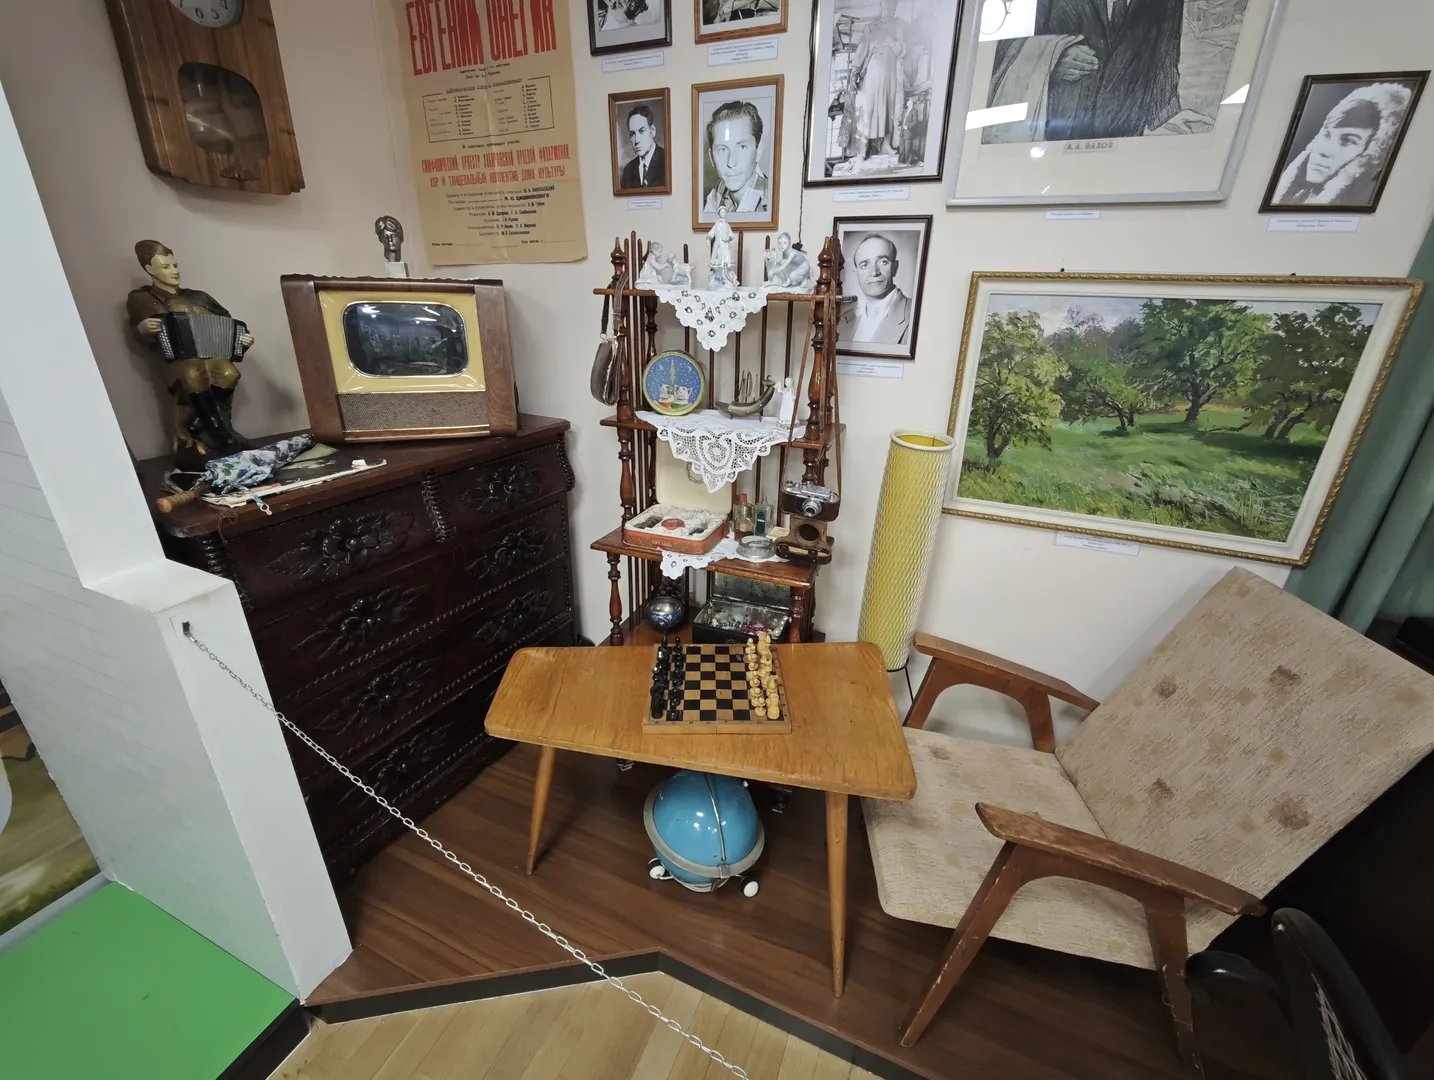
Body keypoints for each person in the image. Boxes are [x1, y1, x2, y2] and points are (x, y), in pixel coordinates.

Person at [984, 0, 1215, 144]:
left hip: (1125, 143)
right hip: (1051, 136)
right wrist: (1054, 57)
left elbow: (1165, 63)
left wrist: (1171, 125)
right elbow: (1003, 48)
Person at [126, 240, 253, 462]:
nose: (174, 271)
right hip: (178, 358)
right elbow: (137, 330)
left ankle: (198, 420)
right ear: (149, 270)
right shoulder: (141, 299)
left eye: (175, 265)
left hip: (210, 355)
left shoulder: (199, 297)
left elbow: (228, 323)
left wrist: (242, 339)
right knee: (192, 375)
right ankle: (215, 428)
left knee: (229, 373)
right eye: (165, 267)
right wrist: (143, 328)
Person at [1270, 82, 1414, 207]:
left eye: (1347, 141)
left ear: (1370, 155)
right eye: (1326, 135)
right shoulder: (1296, 196)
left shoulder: (1366, 200)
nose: (1324, 151)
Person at [848, 0, 909, 162]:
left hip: (891, 73)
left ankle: (886, 144)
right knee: (870, 108)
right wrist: (855, 72)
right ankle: (864, 147)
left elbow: (904, 51)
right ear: (882, 6)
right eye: (887, 5)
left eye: (893, 6)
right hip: (873, 73)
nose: (890, 9)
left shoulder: (900, 27)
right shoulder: (872, 28)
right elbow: (862, 51)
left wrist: (896, 45)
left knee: (888, 108)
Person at [837, 234, 912, 346]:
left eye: (883, 262)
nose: (874, 272)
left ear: (895, 267)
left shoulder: (913, 313)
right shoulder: (841, 315)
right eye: (864, 265)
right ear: (856, 273)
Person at [703, 100, 769, 214]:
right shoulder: (718, 193)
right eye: (722, 150)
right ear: (711, 158)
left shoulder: (769, 203)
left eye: (742, 147)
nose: (731, 162)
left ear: (758, 151)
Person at [620, 105, 667, 189]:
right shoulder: (628, 170)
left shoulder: (667, 161)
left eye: (641, 131)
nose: (637, 140)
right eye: (632, 134)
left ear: (652, 131)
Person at [707, 208, 737, 288]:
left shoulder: (727, 225)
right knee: (718, 262)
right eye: (722, 212)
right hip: (718, 245)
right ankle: (718, 278)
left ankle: (726, 279)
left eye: (724, 212)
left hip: (725, 245)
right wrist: (708, 239)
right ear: (719, 213)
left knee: (725, 262)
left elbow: (731, 235)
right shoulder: (717, 224)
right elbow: (712, 232)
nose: (723, 213)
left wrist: (728, 238)